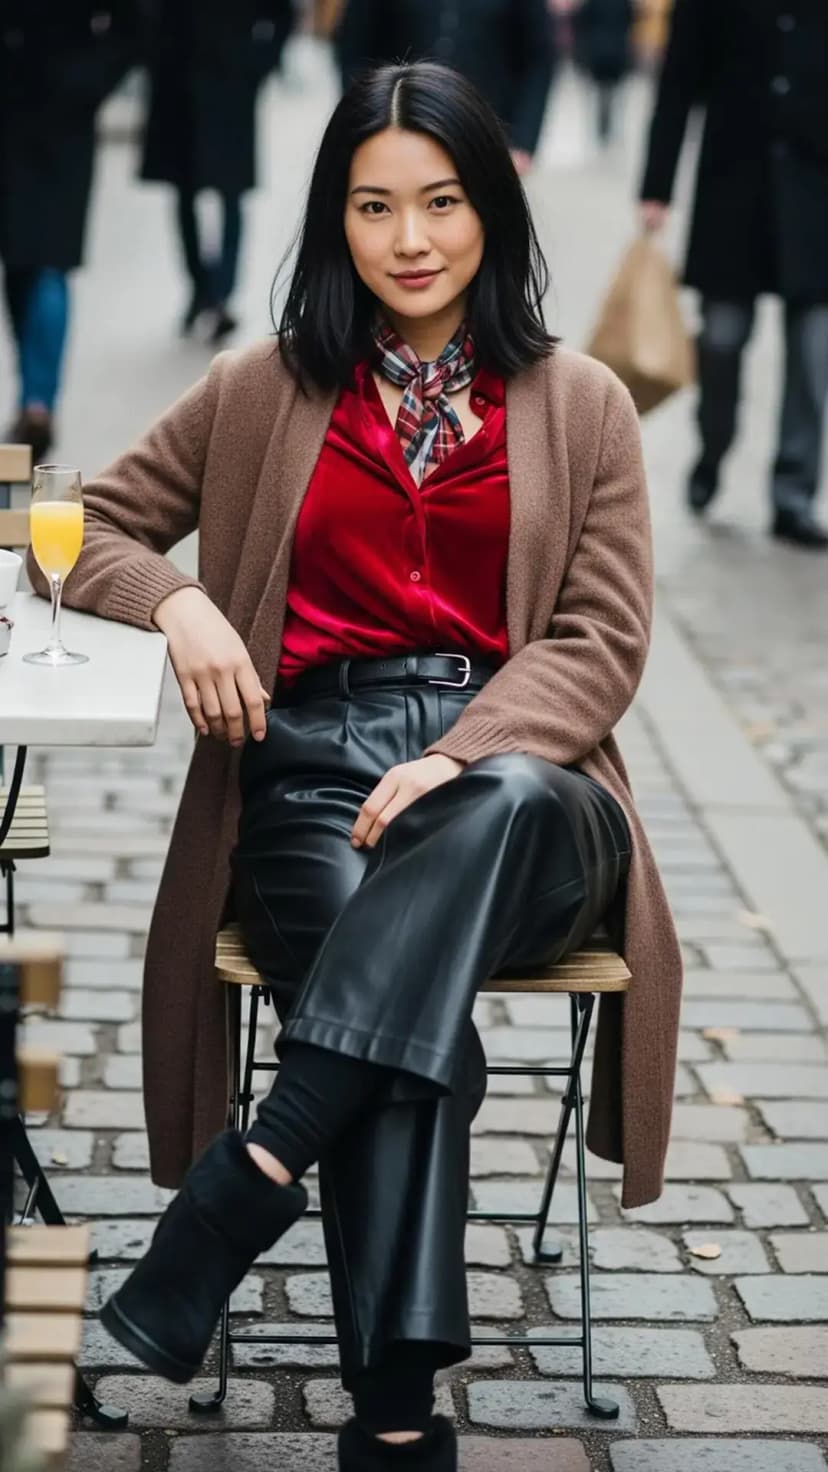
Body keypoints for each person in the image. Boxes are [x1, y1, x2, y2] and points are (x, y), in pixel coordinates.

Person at [29, 62, 681, 1469]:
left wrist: (460, 754)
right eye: (373, 206)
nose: (411, 238)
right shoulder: (259, 388)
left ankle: (249, 1176)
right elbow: (68, 529)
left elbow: (603, 642)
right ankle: (395, 1421)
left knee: (478, 821)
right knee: (395, 1020)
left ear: (494, 211)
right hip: (312, 773)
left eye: (442, 202)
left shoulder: (582, 404)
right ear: (335, 223)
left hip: (531, 792)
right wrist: (184, 602)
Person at [640, 0, 828, 549]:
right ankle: (713, 447)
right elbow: (677, 82)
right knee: (722, 338)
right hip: (734, 192)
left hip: (816, 194)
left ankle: (793, 496)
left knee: (813, 355)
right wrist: (657, 184)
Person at [0, 1, 138, 459]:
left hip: (58, 111)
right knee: (32, 261)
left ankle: (36, 399)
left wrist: (93, 80)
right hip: (53, 107)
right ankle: (36, 398)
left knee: (39, 261)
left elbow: (138, 21)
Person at [141, 0, 294, 341]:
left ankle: (222, 294)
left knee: (231, 194)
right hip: (177, 86)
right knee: (185, 194)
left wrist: (258, 65)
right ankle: (201, 289)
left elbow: (281, 14)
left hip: (231, 87)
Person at [335, 1, 556, 175]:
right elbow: (354, 50)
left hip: (487, 135)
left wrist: (523, 142)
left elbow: (538, 59)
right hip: (400, 130)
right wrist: (365, 125)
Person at [572, 0, 635, 145]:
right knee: (615, 95)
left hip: (597, 52)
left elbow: (581, 22)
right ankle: (610, 129)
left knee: (598, 94)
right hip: (617, 52)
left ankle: (600, 129)